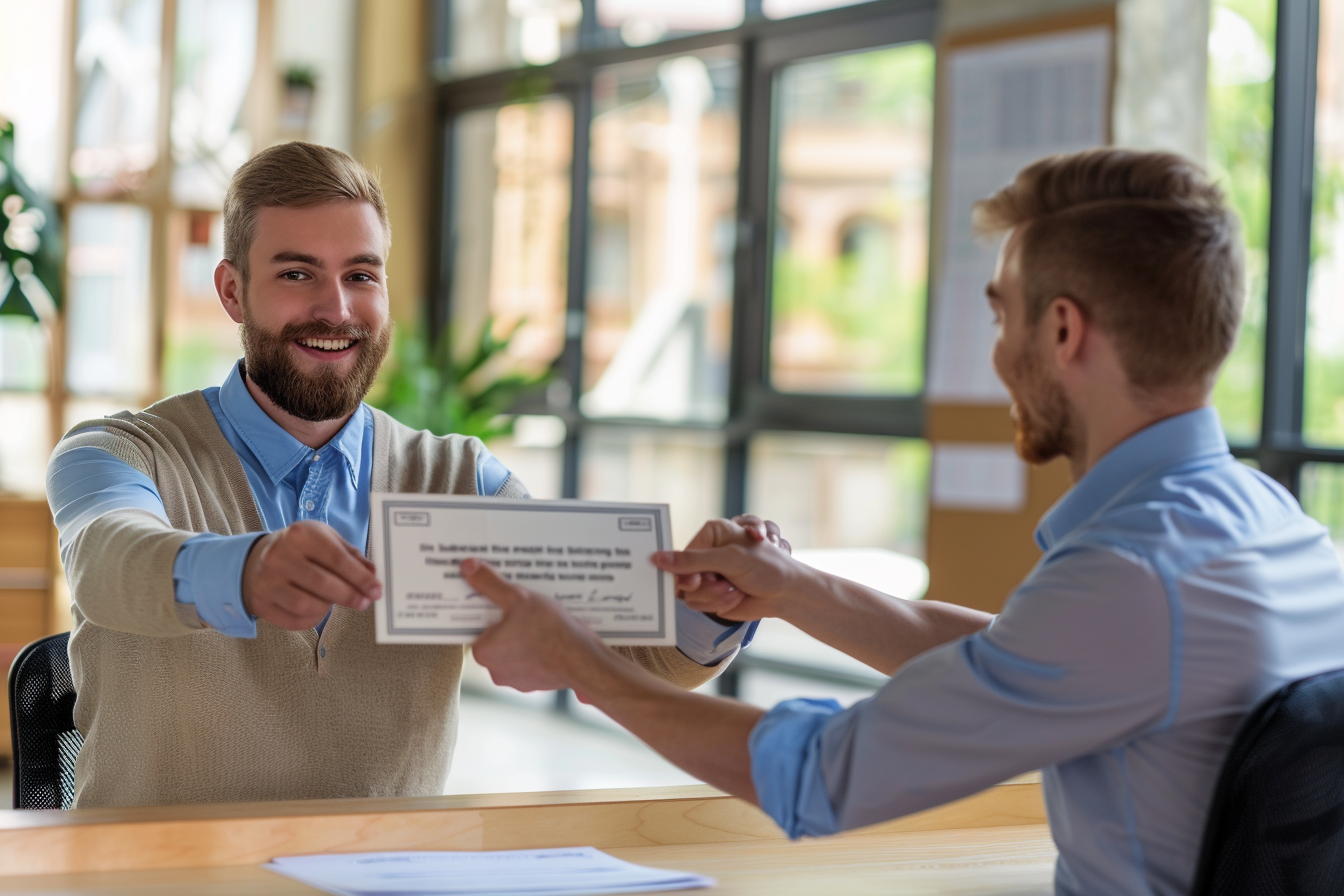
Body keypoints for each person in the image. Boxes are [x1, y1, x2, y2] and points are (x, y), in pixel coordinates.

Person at [457, 148, 1344, 896]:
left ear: (1065, 330)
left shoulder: (1128, 577)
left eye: (1003, 314)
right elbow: (1019, 658)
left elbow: (816, 776)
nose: (997, 352)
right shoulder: (1265, 521)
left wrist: (577, 660)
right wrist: (795, 592)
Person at [45, 141, 758, 808]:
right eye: (297, 274)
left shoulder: (459, 479)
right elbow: (109, 556)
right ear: (233, 292)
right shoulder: (118, 453)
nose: (337, 308)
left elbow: (627, 651)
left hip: (381, 875)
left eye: (361, 275)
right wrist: (246, 570)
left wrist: (715, 604)